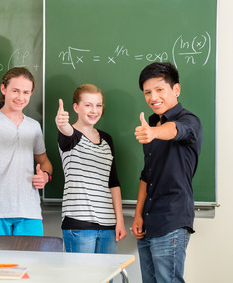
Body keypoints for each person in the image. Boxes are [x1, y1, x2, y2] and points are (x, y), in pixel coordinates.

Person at [132, 62, 203, 283]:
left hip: (172, 219)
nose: (153, 97)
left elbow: (175, 130)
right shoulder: (151, 125)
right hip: (148, 221)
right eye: (147, 92)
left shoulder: (189, 121)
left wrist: (153, 132)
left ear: (176, 90)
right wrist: (137, 214)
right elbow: (147, 176)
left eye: (159, 89)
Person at [0, 67, 53, 249]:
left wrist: (45, 175)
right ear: (4, 89)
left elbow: (45, 162)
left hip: (29, 211)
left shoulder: (34, 126)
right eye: (15, 90)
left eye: (25, 92)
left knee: (30, 269)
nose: (20, 97)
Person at [55, 84, 127, 254]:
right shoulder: (70, 135)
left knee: (107, 279)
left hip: (108, 226)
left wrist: (120, 221)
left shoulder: (107, 139)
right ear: (76, 107)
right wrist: (61, 123)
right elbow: (65, 130)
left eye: (98, 105)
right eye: (88, 105)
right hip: (79, 224)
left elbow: (113, 183)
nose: (94, 110)